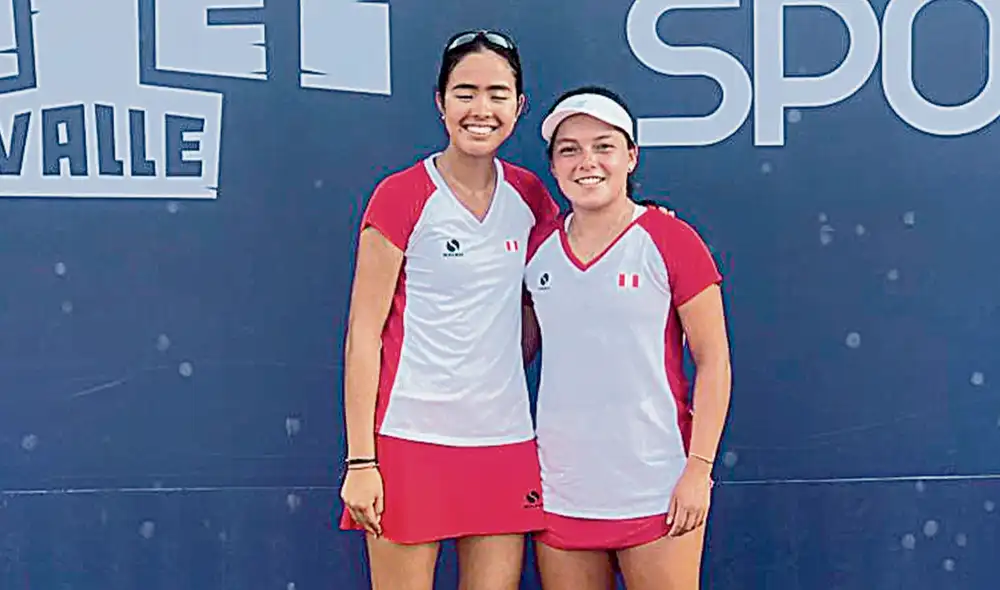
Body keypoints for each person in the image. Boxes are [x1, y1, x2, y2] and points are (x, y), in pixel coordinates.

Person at [336, 30, 561, 590]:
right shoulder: (401, 194)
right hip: (409, 441)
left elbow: (571, 279)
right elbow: (363, 333)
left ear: (519, 106)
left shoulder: (532, 196)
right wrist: (361, 462)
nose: (480, 109)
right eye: (465, 92)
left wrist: (648, 225)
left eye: (496, 93)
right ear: (440, 102)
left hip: (504, 440)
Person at [523, 86, 733, 590]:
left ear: (631, 157)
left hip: (657, 490)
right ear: (553, 166)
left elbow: (714, 363)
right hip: (561, 492)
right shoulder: (537, 247)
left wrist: (697, 472)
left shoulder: (671, 239)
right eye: (569, 149)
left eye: (604, 146)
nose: (586, 161)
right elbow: (513, 352)